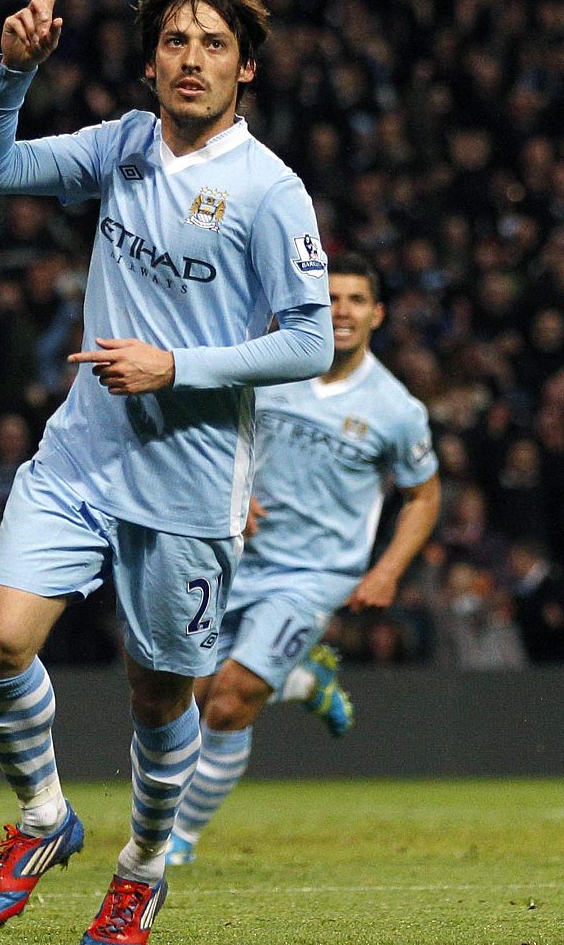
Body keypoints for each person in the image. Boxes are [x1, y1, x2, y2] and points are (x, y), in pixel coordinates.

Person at [0, 0, 333, 945]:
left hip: (189, 482)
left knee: (157, 694)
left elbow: (309, 340)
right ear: (149, 61)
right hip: (82, 455)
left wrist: (174, 363)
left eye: (213, 44)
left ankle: (141, 869)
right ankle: (44, 818)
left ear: (245, 67)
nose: (191, 59)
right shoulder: (123, 146)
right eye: (175, 41)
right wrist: (10, 74)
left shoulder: (270, 191)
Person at [167, 254, 441, 866]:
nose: (342, 311)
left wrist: (388, 570)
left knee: (230, 698)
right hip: (232, 556)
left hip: (314, 575)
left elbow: (423, 495)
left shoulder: (395, 408)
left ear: (377, 314)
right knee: (191, 693)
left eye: (356, 300)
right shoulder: (271, 365)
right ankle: (302, 679)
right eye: (332, 297)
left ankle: (178, 840)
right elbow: (212, 434)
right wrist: (229, 496)